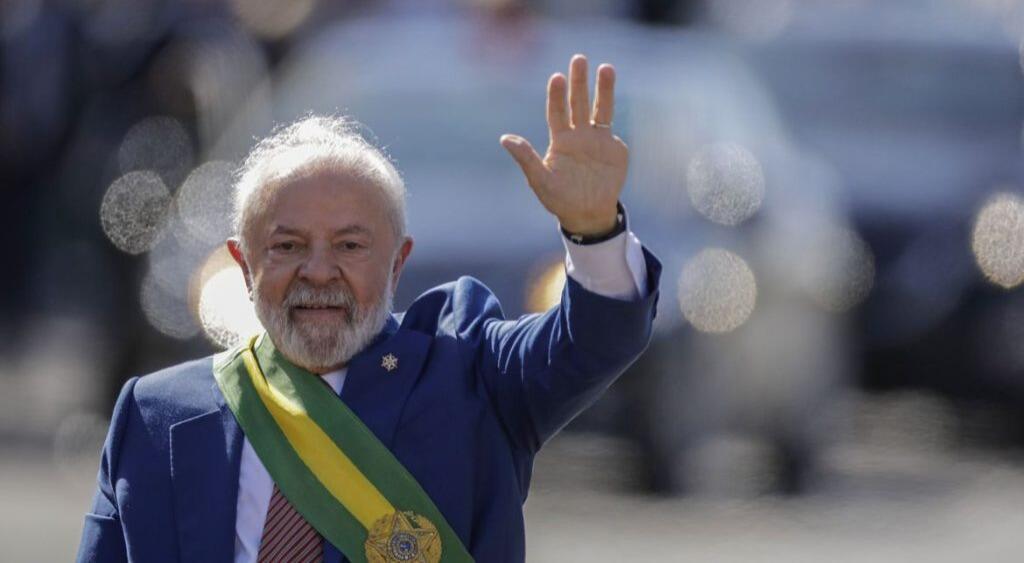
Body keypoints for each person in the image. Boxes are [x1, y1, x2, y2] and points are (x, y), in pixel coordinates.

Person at [76, 54, 661, 563]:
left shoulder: (472, 379)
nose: (318, 271)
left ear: (398, 263)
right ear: (244, 264)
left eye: (350, 246)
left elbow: (595, 340)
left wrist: (593, 231)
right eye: (287, 246)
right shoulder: (156, 417)